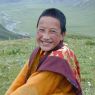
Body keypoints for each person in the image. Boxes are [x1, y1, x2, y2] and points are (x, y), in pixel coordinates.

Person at [5, 8, 82, 95]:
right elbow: (20, 79)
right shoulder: (39, 51)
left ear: (62, 35)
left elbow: (31, 90)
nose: (45, 37)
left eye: (52, 31)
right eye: (41, 30)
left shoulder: (58, 60)